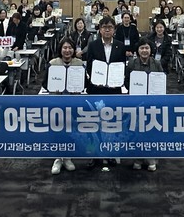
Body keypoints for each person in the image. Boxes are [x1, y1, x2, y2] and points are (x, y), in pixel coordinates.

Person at [84, 16, 127, 171]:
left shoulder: (120, 46)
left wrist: (116, 79)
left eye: (110, 27)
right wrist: (97, 78)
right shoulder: (93, 45)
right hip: (96, 88)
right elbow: (89, 66)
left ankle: (109, 152)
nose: (107, 30)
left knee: (111, 122)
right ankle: (93, 154)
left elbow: (122, 66)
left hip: (113, 89)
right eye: (104, 27)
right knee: (94, 122)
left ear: (114, 29)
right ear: (100, 29)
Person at [46, 39, 83, 175]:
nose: (67, 50)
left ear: (74, 50)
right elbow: (45, 83)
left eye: (70, 48)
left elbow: (84, 82)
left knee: (70, 129)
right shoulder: (53, 63)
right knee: (57, 129)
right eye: (64, 48)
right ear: (60, 49)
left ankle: (67, 157)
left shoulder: (79, 64)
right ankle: (57, 158)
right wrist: (53, 86)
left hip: (73, 102)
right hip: (57, 102)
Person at [125, 40, 162, 172]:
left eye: (147, 48)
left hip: (152, 103)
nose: (144, 51)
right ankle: (138, 158)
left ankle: (151, 158)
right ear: (138, 50)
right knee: (137, 131)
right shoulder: (131, 63)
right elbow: (127, 81)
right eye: (142, 48)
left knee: (151, 131)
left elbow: (161, 81)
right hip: (136, 103)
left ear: (151, 50)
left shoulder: (157, 63)